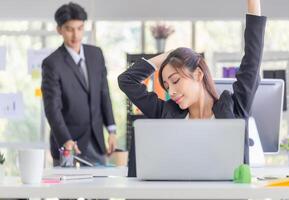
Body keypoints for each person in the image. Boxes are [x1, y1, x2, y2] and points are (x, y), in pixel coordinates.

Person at [118, 0, 266, 177]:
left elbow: (252, 60)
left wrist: (253, 3)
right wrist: (168, 56)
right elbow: (127, 80)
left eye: (175, 80)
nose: (170, 91)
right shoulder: (167, 112)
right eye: (166, 86)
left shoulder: (233, 107)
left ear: (198, 74)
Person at [42, 2, 117, 166]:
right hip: (68, 145)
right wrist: (66, 139)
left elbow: (104, 93)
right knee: (69, 192)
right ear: (59, 30)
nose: (76, 35)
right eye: (69, 29)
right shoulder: (52, 63)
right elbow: (52, 108)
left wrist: (111, 130)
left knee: (99, 190)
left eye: (80, 28)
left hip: (97, 142)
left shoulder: (96, 54)